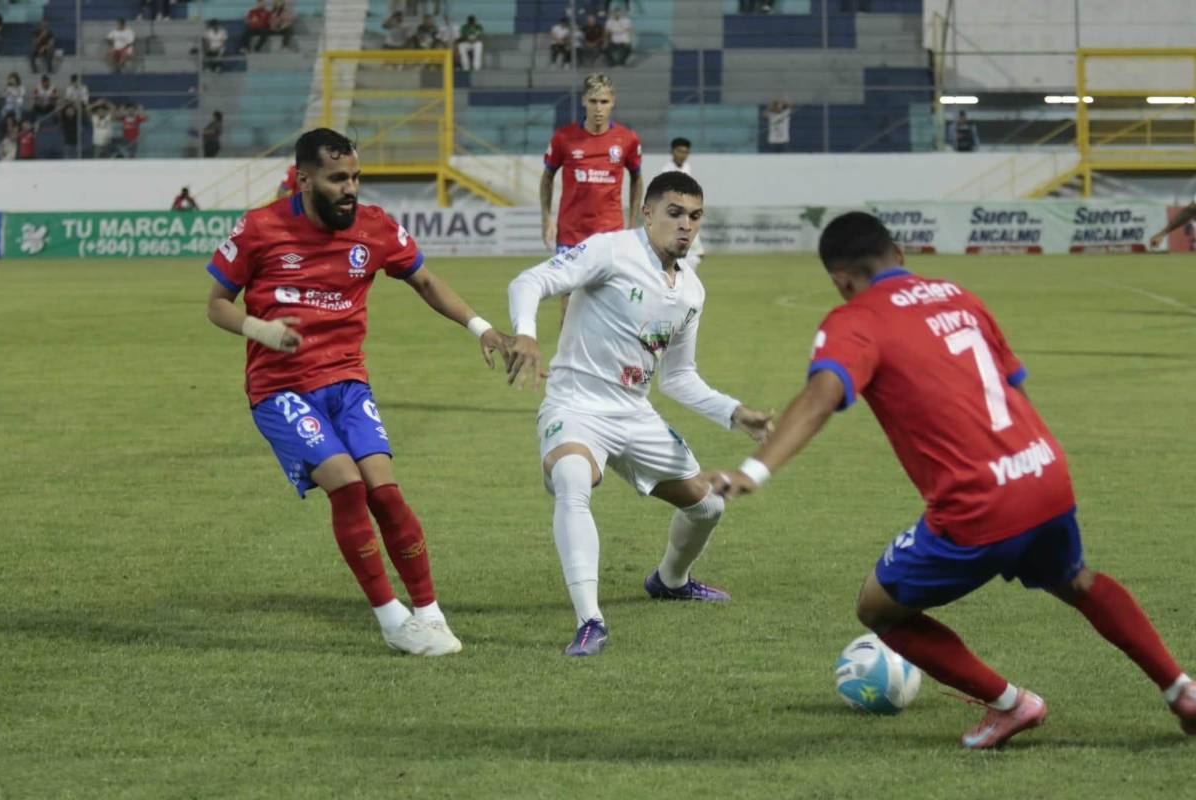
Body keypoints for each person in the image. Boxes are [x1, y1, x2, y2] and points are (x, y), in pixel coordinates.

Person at [709, 211, 1196, 749]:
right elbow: (1014, 387)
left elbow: (824, 394)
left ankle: (1013, 705)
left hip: (978, 503)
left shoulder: (855, 319)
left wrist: (754, 469)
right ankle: (1180, 688)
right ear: (898, 252)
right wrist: (1029, 464)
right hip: (1043, 471)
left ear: (841, 279)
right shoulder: (957, 294)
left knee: (877, 609)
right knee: (1074, 580)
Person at [204, 128, 512, 656]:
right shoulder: (260, 228)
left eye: (356, 177)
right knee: (347, 487)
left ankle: (430, 614)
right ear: (304, 180)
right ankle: (392, 621)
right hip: (280, 390)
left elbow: (426, 282)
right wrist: (263, 331)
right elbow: (217, 303)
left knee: (385, 493)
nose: (351, 188)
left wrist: (482, 327)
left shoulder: (374, 228)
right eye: (337, 178)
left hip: (347, 384)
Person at [506, 171, 773, 657]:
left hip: (634, 414)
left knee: (708, 506)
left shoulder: (691, 290)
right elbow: (531, 280)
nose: (685, 226)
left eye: (694, 216)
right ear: (647, 213)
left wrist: (735, 414)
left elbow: (677, 377)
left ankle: (670, 581)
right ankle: (590, 620)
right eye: (674, 213)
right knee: (572, 476)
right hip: (576, 404)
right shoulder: (611, 251)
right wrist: (525, 332)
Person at [541, 73, 643, 261]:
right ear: (584, 101)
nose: (598, 108)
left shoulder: (627, 139)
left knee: (610, 290)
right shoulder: (563, 138)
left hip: (611, 233)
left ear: (613, 101)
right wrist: (546, 219)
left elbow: (637, 178)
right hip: (571, 233)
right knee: (569, 291)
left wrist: (633, 222)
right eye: (593, 101)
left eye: (604, 102)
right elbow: (547, 177)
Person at [658, 137, 704, 269]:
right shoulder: (666, 170)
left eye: (685, 152)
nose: (682, 155)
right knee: (681, 253)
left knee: (694, 255)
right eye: (679, 151)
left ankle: (683, 280)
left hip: (686, 214)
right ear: (672, 151)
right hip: (674, 216)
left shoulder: (687, 167)